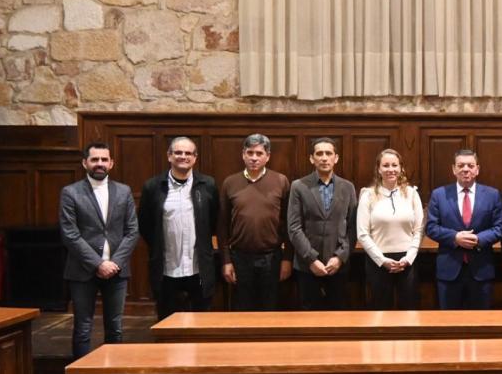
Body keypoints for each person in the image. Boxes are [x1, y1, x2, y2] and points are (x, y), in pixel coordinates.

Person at [59, 142, 139, 359]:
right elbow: (70, 234)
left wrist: (115, 263)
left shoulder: (123, 191)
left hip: (117, 271)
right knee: (83, 328)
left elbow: (132, 231)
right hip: (82, 271)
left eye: (104, 159)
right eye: (95, 159)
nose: (100, 164)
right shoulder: (70, 192)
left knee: (115, 327)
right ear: (85, 162)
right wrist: (98, 263)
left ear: (111, 163)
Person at [138, 136, 219, 321]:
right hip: (167, 268)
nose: (183, 156)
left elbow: (213, 221)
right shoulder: (153, 187)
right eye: (178, 152)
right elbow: (146, 225)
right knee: (167, 323)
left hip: (198, 268)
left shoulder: (208, 185)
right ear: (169, 156)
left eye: (188, 153)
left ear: (195, 157)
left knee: (201, 323)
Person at [218, 134, 292, 311]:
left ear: (268, 156)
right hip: (239, 258)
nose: (254, 158)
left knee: (270, 308)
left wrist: (287, 259)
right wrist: (226, 261)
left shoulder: (281, 181)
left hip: (272, 257)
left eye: (259, 153)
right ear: (243, 154)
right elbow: (222, 226)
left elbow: (289, 224)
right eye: (249, 152)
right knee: (242, 309)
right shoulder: (230, 182)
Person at [426, 149, 502, 309]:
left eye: (470, 165)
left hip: (481, 271)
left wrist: (479, 239)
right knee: (449, 324)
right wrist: (455, 237)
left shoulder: (492, 194)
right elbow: (431, 227)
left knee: (481, 323)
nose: (465, 169)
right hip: (449, 271)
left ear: (477, 169)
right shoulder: (439, 194)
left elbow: (500, 227)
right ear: (454, 169)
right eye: (461, 165)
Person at [288, 137, 358, 310]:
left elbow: (353, 227)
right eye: (319, 153)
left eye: (329, 153)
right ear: (312, 158)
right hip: (307, 265)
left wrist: (340, 257)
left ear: (336, 158)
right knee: (309, 316)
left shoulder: (348, 187)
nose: (324, 158)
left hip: (338, 264)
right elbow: (294, 227)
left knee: (338, 315)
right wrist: (311, 259)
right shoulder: (298, 186)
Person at [357, 148, 424, 309]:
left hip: (407, 261)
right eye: (385, 165)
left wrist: (408, 258)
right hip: (378, 261)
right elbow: (362, 233)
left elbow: (419, 230)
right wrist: (382, 260)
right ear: (378, 169)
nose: (390, 169)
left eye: (395, 165)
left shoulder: (411, 194)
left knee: (410, 310)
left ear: (401, 168)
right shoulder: (367, 195)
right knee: (380, 311)